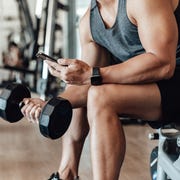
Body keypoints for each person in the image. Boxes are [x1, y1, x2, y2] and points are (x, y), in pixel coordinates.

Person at [21, 0, 180, 179]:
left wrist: (92, 74)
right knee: (86, 84)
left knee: (100, 96)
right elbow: (86, 80)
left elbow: (164, 64)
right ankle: (66, 173)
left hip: (173, 81)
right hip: (154, 89)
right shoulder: (89, 23)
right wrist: (50, 104)